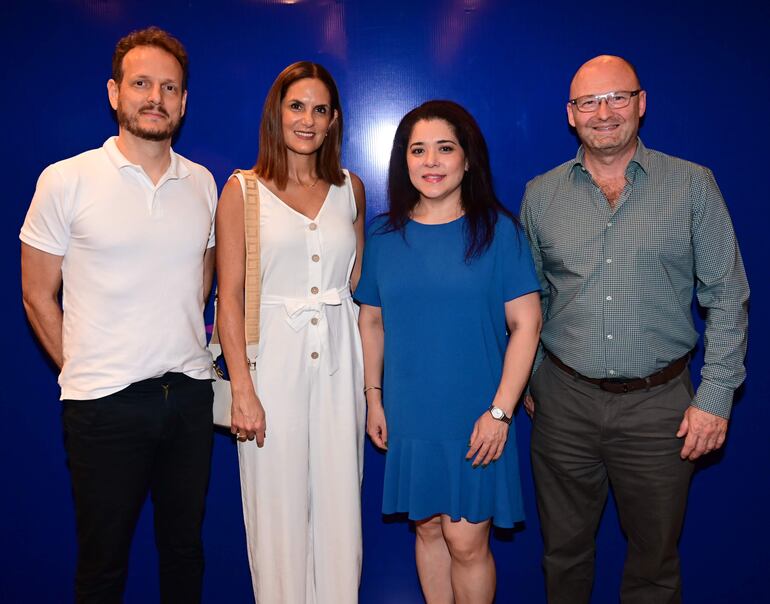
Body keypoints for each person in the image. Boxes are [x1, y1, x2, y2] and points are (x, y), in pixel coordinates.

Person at [521, 55, 749, 604]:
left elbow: (728, 295)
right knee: (563, 556)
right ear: (570, 115)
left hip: (660, 410)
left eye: (617, 98)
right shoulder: (541, 195)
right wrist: (529, 379)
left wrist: (715, 397)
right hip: (564, 406)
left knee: (654, 563)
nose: (604, 113)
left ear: (641, 104)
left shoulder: (692, 184)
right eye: (588, 102)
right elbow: (531, 301)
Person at [19, 27, 217, 603]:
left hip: (188, 397)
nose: (155, 97)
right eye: (141, 84)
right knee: (103, 563)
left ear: (183, 102)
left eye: (169, 87)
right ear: (114, 93)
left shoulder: (202, 183)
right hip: (102, 403)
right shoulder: (66, 179)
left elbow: (203, 278)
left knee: (185, 553)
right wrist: (85, 368)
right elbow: (36, 295)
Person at [356, 100, 542, 603]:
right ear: (404, 161)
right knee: (429, 530)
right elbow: (371, 319)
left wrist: (500, 412)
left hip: (476, 414)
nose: (431, 161)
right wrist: (374, 399)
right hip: (410, 412)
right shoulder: (382, 234)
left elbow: (528, 324)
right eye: (418, 150)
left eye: (444, 148)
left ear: (467, 158)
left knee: (466, 539)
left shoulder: (499, 232)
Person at [215, 61, 366, 603]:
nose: (307, 119)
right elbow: (227, 296)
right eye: (296, 106)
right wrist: (243, 389)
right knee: (275, 511)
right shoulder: (242, 190)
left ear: (333, 122)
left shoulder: (351, 189)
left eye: (319, 109)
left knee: (340, 507)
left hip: (338, 365)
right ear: (276, 115)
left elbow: (353, 283)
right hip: (270, 367)